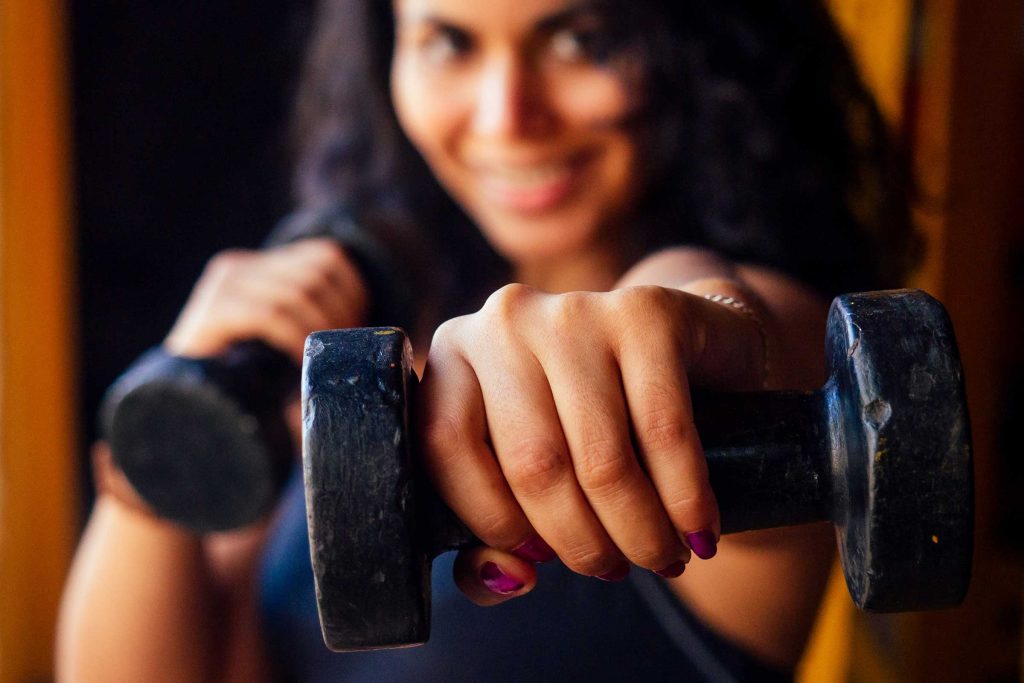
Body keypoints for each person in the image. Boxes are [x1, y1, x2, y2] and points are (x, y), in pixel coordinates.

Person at [57, 0, 919, 680]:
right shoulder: (363, 343)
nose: (507, 116)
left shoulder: (771, 368)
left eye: (582, 39)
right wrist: (173, 425)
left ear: (699, 49)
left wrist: (681, 314)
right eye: (449, 42)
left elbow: (733, 325)